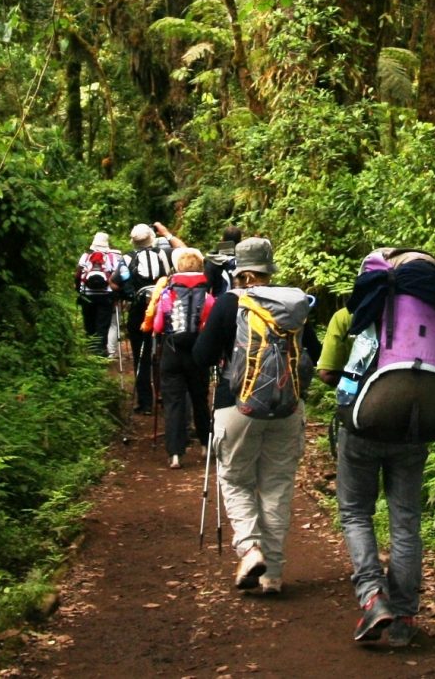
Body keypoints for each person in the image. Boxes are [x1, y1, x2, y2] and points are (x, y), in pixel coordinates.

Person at [316, 247, 435, 647]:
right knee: (405, 520)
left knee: (356, 511)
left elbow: (338, 373)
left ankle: (374, 598)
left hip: (368, 422)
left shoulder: (369, 306)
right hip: (417, 427)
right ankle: (405, 615)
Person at [193, 237, 311, 596]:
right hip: (288, 406)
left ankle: (249, 548)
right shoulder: (294, 304)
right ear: (269, 269)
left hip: (236, 405)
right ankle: (272, 575)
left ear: (240, 271)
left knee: (236, 479)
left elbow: (200, 356)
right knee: (276, 486)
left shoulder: (230, 304)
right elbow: (312, 353)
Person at [143, 246, 213, 469]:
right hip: (198, 353)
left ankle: (175, 454)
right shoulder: (208, 296)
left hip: (172, 352)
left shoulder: (167, 293)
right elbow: (211, 326)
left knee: (173, 402)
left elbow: (158, 325)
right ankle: (205, 445)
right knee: (200, 399)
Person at [123, 223, 172, 414]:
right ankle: (165, 396)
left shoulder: (127, 258)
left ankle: (145, 403)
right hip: (162, 309)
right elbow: (171, 277)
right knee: (163, 352)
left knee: (140, 355)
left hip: (138, 311)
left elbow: (120, 280)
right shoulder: (163, 254)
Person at [74, 231, 122, 356]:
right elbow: (117, 275)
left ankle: (91, 352)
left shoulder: (85, 256)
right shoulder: (111, 257)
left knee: (89, 324)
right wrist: (117, 292)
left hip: (87, 295)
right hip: (105, 296)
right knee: (102, 325)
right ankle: (100, 352)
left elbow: (78, 274)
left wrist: (78, 289)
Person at [205, 225, 242, 295]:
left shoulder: (213, 260)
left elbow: (206, 288)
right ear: (240, 242)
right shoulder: (245, 261)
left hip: (219, 301)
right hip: (241, 302)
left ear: (222, 241)